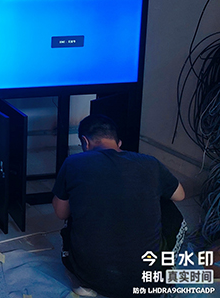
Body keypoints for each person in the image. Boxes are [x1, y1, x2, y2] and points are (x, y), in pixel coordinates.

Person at [52, 114, 186, 297]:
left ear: (85, 142)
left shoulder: (73, 163)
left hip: (90, 277)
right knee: (167, 204)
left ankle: (85, 282)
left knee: (73, 210)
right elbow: (180, 195)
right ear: (119, 143)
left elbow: (61, 213)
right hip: (146, 280)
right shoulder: (150, 163)